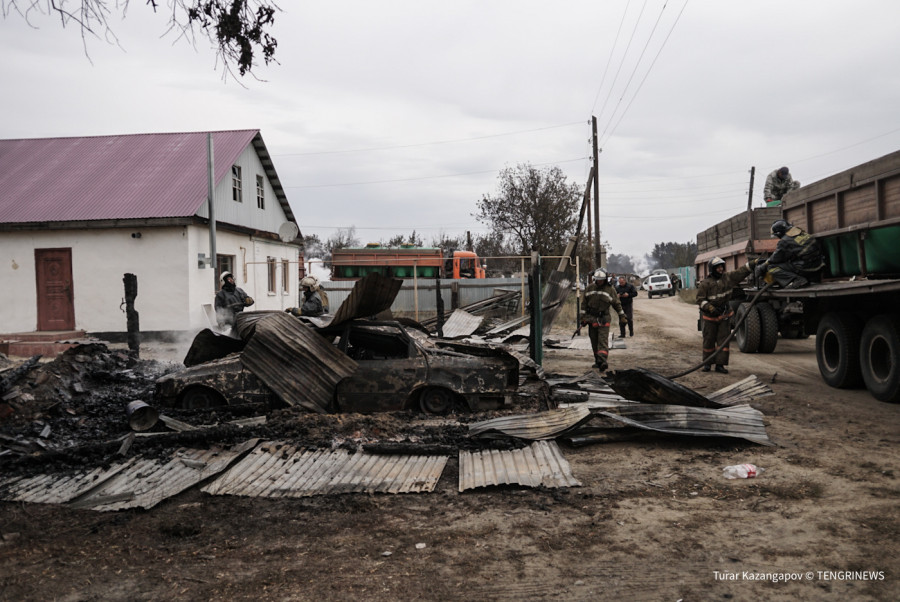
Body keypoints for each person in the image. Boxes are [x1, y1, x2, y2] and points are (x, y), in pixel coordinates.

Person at [696, 256, 758, 374]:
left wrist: (753, 263)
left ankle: (720, 365)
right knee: (708, 341)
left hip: (724, 316)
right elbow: (700, 300)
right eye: (718, 267)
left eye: (721, 267)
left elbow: (740, 272)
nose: (720, 269)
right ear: (712, 269)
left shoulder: (728, 278)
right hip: (710, 318)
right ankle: (707, 364)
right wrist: (711, 308)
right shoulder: (705, 284)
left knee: (723, 342)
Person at [581, 268, 628, 372]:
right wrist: (583, 318)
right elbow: (584, 304)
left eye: (601, 280)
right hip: (591, 319)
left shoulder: (610, 290)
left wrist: (622, 316)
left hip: (604, 318)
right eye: (598, 279)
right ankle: (597, 361)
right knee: (594, 341)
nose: (599, 282)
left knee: (602, 341)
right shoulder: (589, 288)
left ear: (605, 279)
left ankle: (603, 361)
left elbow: (617, 304)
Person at [756, 220, 825, 288]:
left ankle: (797, 280)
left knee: (771, 267)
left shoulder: (784, 241)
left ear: (779, 233)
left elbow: (775, 258)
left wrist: (763, 266)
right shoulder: (802, 233)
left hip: (806, 268)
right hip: (818, 266)